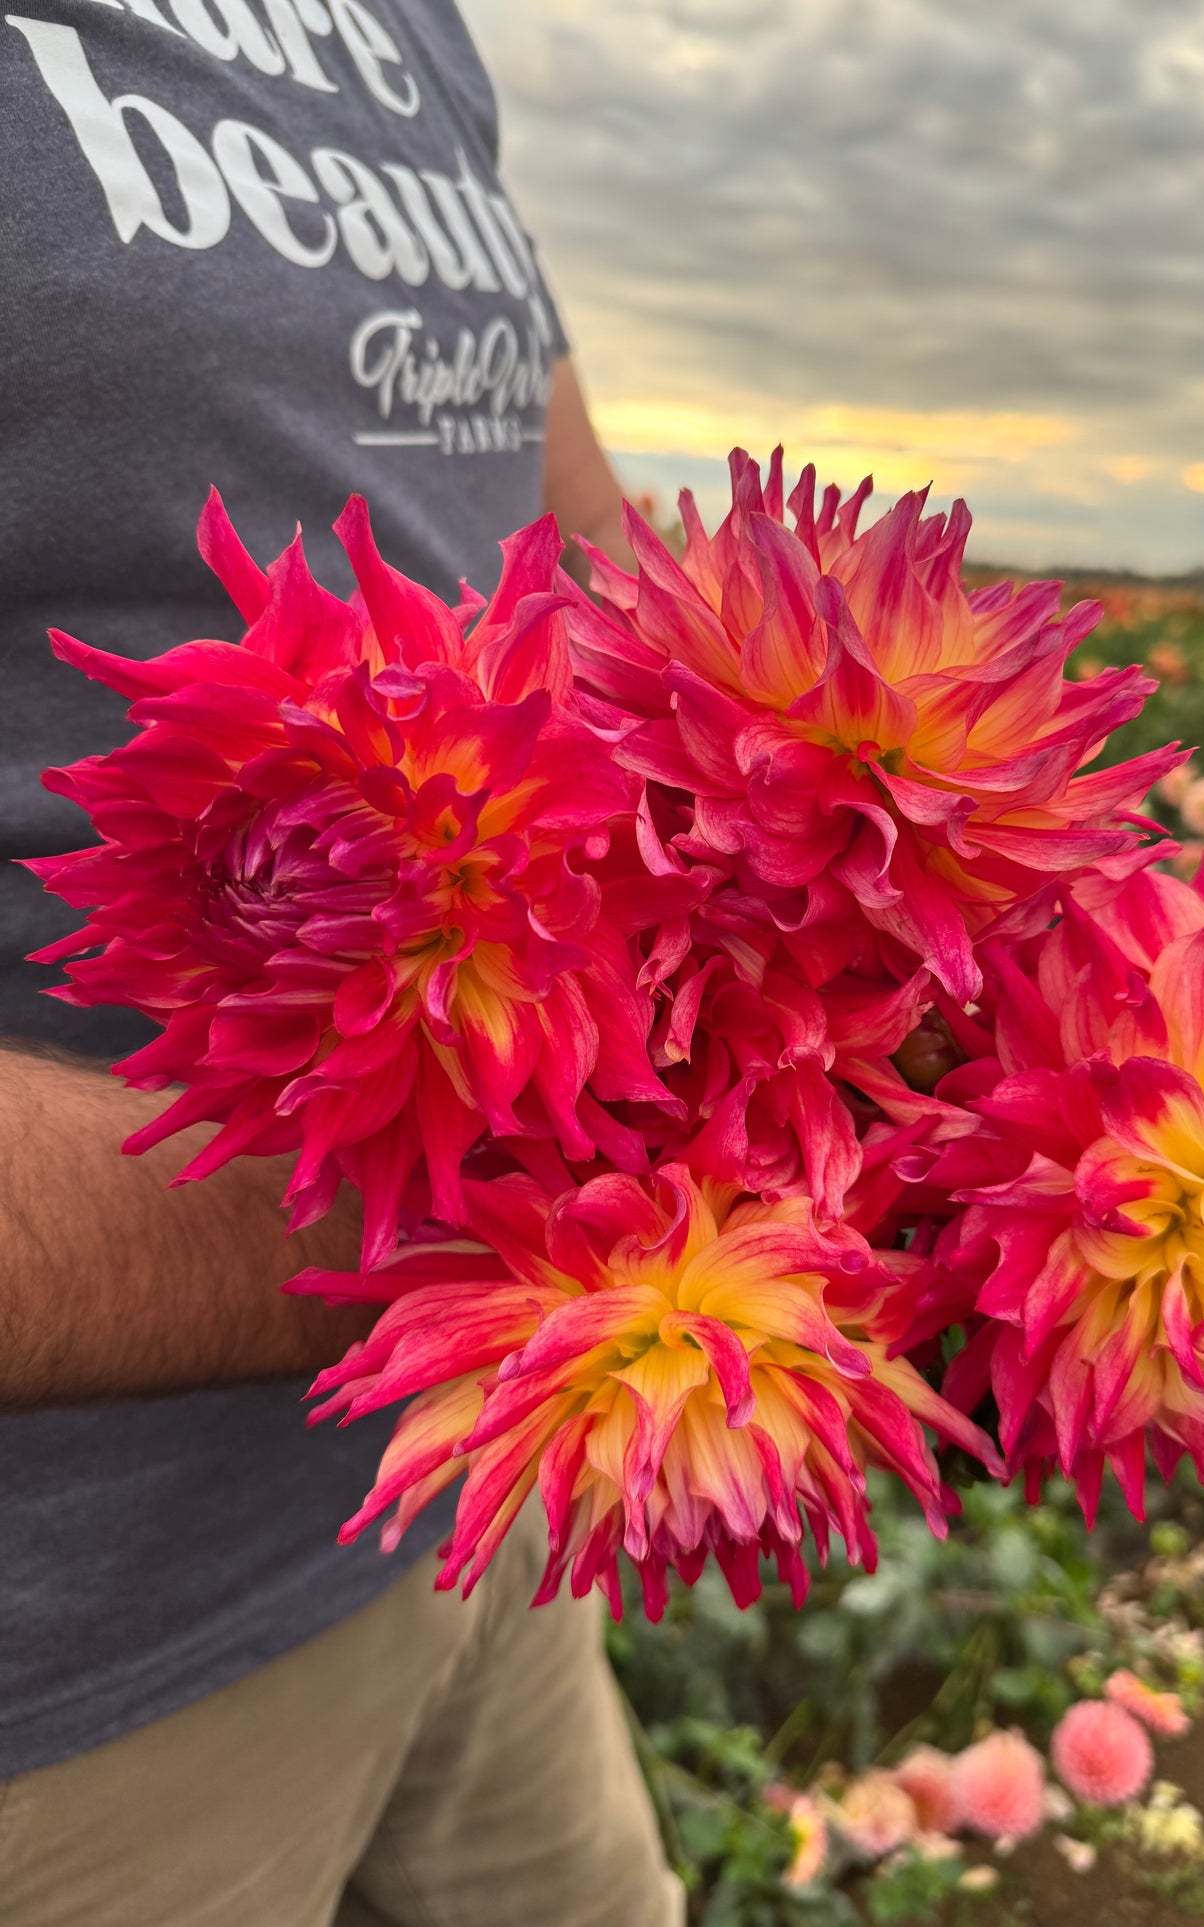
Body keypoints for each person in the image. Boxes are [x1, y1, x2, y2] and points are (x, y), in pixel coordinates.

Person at [0, 5, 682, 1922]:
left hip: (448, 1517)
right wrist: (489, 1234)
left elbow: (574, 542)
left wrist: (857, 931)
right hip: (73, 1703)